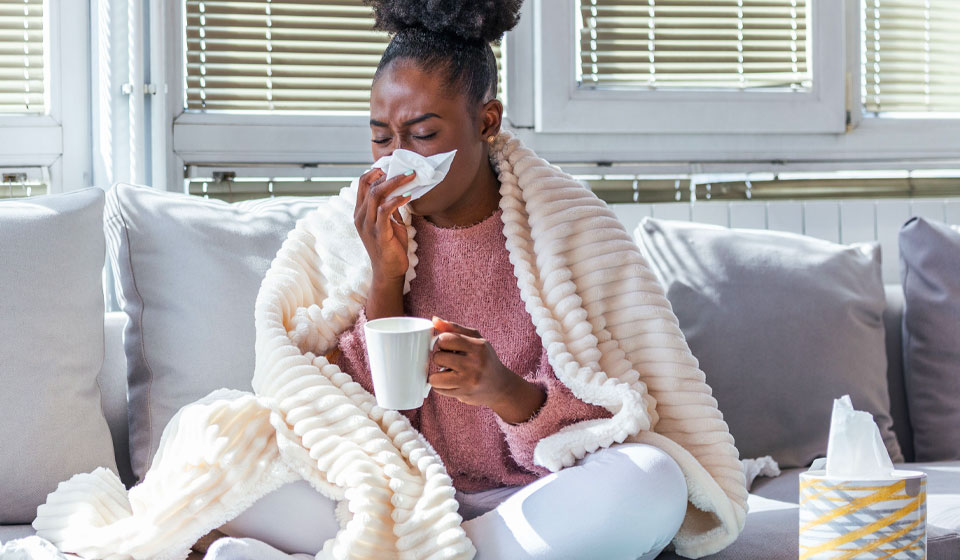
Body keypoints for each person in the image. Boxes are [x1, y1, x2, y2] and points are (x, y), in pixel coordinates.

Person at [206, 1, 689, 558]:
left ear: (486, 121)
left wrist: (507, 392)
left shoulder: (570, 228)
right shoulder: (348, 232)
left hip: (539, 497)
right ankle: (454, 547)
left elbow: (615, 417)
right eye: (381, 138)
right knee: (220, 446)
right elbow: (353, 418)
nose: (397, 160)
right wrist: (384, 280)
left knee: (653, 480)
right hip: (400, 492)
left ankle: (415, 551)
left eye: (423, 134)